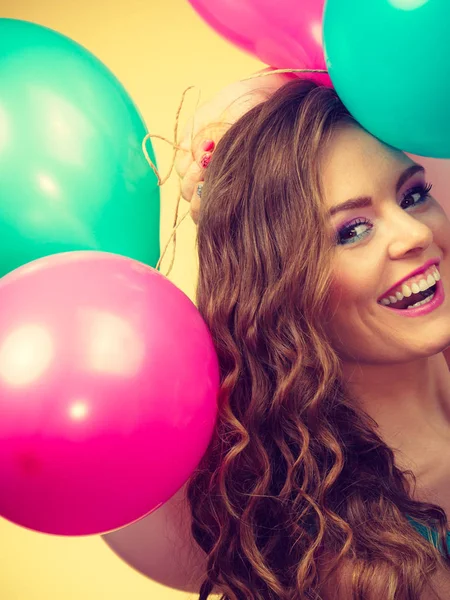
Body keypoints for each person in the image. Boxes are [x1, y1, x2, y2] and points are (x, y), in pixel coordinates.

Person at [176, 77, 450, 599]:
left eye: (413, 195)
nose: (416, 234)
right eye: (353, 230)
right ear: (284, 293)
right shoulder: (343, 564)